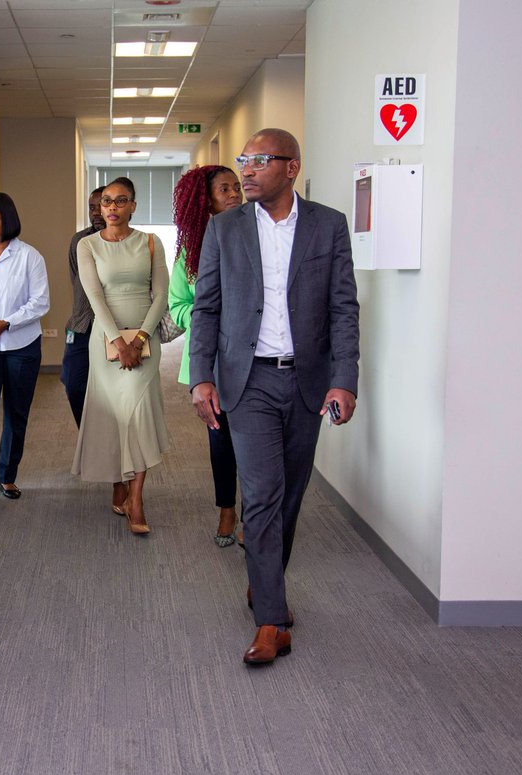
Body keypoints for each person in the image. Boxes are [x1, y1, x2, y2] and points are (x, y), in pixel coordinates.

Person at [188, 129, 360, 665]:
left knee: (289, 495)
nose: (248, 170)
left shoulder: (328, 225)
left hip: (306, 380)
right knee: (261, 495)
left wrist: (344, 377)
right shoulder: (224, 228)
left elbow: (343, 308)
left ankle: (264, 581)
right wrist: (200, 376)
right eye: (245, 160)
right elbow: (207, 308)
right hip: (249, 380)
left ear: (292, 167)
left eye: (260, 160)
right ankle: (271, 620)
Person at [72, 177, 170, 535]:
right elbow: (95, 296)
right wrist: (118, 341)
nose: (111, 207)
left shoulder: (150, 242)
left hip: (145, 337)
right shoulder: (88, 245)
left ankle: (137, 498)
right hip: (106, 340)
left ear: (133, 206)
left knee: (139, 412)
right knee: (115, 414)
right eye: (107, 201)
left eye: (121, 201)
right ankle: (119, 480)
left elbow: (160, 295)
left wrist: (140, 338)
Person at [168, 165, 244, 548]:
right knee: (222, 438)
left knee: (255, 438)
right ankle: (226, 508)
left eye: (236, 187)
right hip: (212, 358)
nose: (234, 194)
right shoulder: (190, 251)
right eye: (224, 189)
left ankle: (254, 512)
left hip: (252, 355)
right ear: (206, 201)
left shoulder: (258, 236)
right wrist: (205, 314)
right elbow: (177, 305)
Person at [0, 192, 50, 502]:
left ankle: (7, 477)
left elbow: (41, 301)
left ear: (8, 220)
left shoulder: (30, 256)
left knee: (16, 414)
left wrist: (6, 322)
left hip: (23, 346)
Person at [60, 187, 106, 426]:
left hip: (113, 329)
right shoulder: (79, 240)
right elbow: (76, 279)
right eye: (92, 207)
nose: (96, 212)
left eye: (102, 205)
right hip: (81, 325)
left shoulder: (124, 240)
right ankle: (89, 436)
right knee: (74, 383)